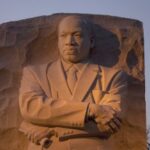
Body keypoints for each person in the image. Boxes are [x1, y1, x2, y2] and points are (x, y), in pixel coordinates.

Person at [19, 15, 127, 150]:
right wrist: (90, 110)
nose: (69, 42)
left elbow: (110, 123)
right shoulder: (35, 73)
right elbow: (31, 108)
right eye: (63, 36)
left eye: (77, 35)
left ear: (91, 41)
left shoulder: (112, 76)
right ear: (57, 41)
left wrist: (47, 126)